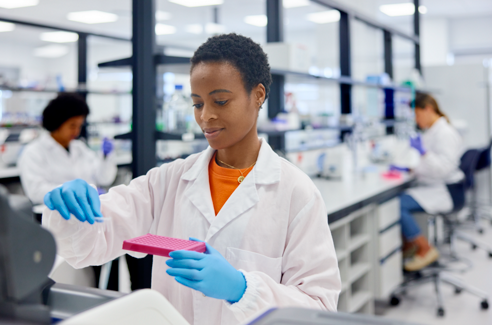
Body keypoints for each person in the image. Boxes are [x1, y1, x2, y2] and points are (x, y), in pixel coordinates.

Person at [41, 34, 341, 325]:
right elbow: (86, 247)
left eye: (221, 101)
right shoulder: (169, 180)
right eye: (197, 103)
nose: (205, 116)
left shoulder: (296, 193)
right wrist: (69, 211)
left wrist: (243, 289)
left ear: (258, 95)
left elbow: (319, 307)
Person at [394, 93, 464, 272]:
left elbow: (443, 168)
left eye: (417, 115)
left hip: (446, 191)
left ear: (428, 109)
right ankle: (411, 246)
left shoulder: (445, 133)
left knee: (398, 204)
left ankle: (425, 248)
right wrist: (411, 169)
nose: (416, 121)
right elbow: (429, 165)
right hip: (436, 186)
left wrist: (423, 153)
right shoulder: (433, 131)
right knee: (402, 198)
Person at [18, 93, 117, 205]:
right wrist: (73, 192)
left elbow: (104, 179)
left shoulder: (80, 147)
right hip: (56, 216)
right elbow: (36, 192)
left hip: (88, 211)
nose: (76, 132)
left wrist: (106, 157)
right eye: (72, 126)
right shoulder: (33, 152)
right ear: (57, 122)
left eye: (79, 126)